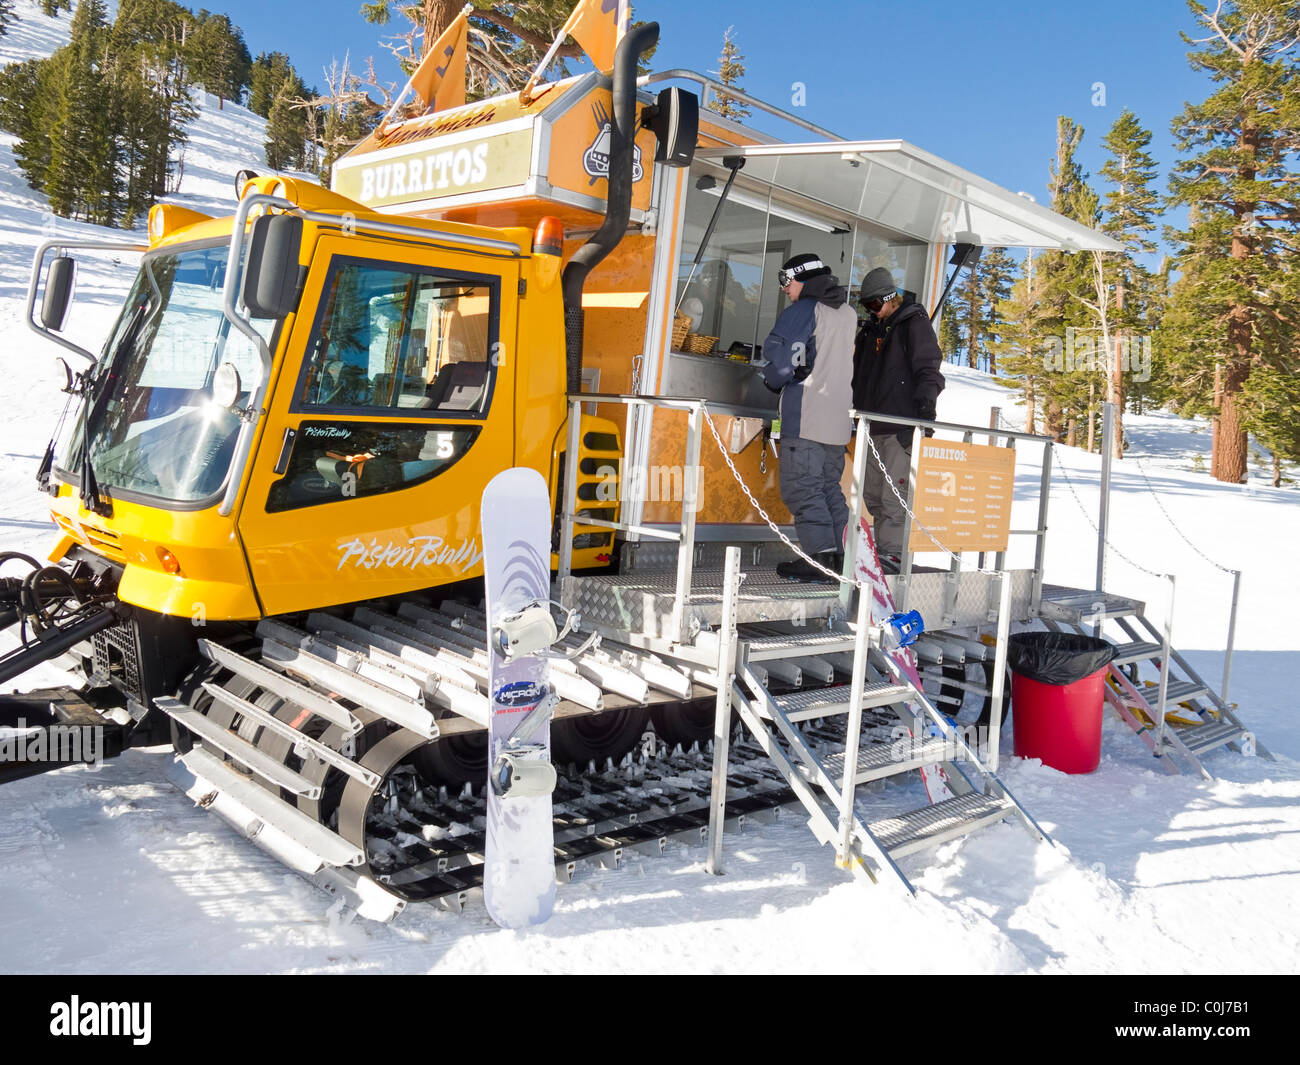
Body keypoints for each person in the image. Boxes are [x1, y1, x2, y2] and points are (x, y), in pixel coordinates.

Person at [760, 253, 858, 583]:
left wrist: (771, 380)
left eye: (786, 282)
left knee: (803, 489)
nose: (785, 289)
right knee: (829, 489)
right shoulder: (847, 313)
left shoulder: (802, 311)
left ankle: (819, 559)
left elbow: (782, 359)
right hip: (838, 419)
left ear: (801, 278)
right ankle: (842, 557)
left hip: (806, 415)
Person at [851, 266, 946, 573]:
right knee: (872, 495)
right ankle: (884, 553)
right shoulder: (870, 334)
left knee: (894, 497)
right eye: (867, 307)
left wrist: (923, 416)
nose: (873, 312)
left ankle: (894, 556)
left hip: (900, 426)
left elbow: (929, 370)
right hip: (871, 425)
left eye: (876, 306)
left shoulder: (912, 325)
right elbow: (857, 378)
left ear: (890, 299)